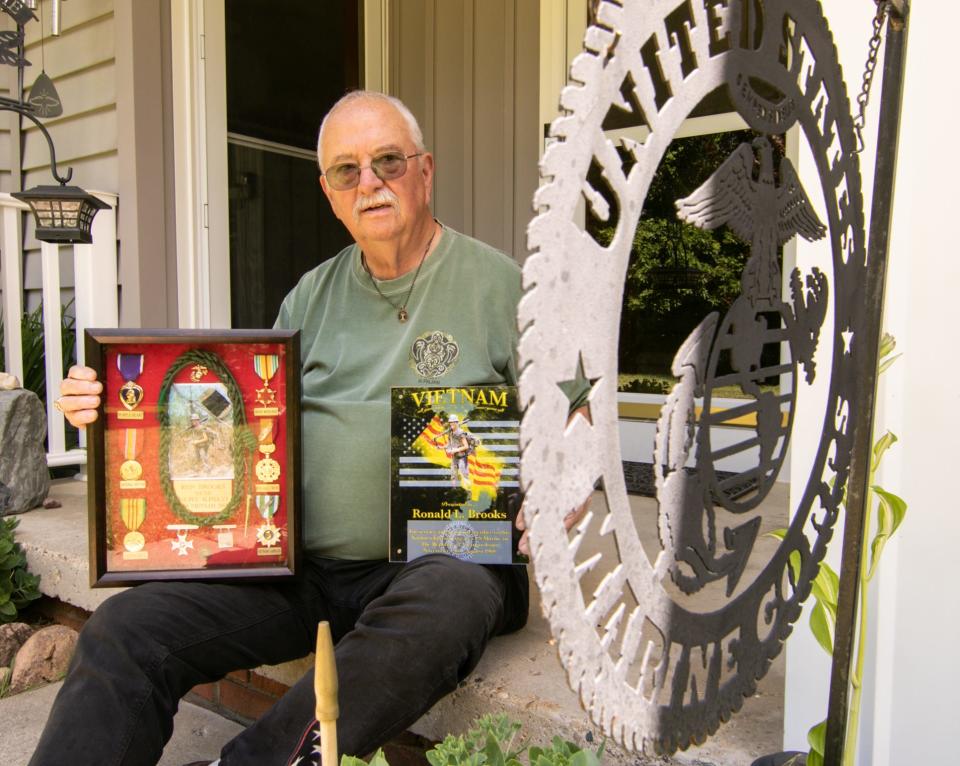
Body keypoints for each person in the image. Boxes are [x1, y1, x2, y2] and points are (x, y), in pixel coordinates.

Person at [36, 91, 586, 766]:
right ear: (328, 192)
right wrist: (116, 407)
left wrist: (558, 490)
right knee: (127, 628)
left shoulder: (504, 286)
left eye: (387, 161)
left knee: (454, 596)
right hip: (297, 568)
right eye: (346, 171)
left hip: (439, 561)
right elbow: (233, 424)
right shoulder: (310, 295)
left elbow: (575, 417)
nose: (371, 183)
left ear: (426, 170)